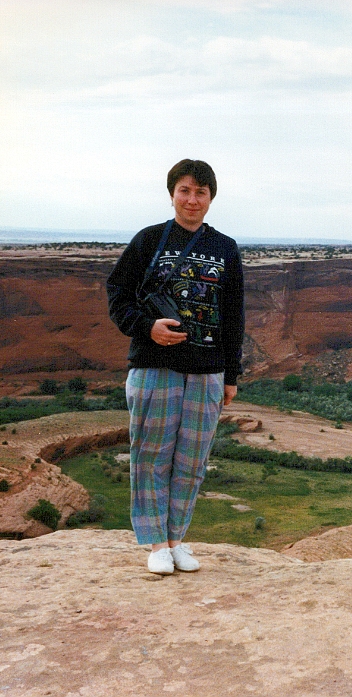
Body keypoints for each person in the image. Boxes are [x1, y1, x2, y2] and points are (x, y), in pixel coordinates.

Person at [107, 159, 244, 574]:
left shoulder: (225, 248)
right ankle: (155, 544)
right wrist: (147, 328)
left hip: (207, 370)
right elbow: (118, 295)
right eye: (185, 190)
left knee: (192, 460)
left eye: (200, 192)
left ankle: (177, 539)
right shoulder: (149, 241)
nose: (192, 199)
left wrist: (231, 375)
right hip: (154, 365)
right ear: (172, 194)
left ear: (210, 198)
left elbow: (233, 315)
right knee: (151, 455)